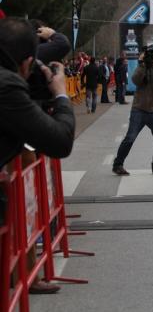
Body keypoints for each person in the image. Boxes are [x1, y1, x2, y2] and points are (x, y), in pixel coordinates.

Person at [0, 18, 76, 294]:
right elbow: (59, 141)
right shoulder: (7, 85)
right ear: (26, 62)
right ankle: (21, 275)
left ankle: (19, 272)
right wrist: (61, 95)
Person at [112, 47, 153, 175]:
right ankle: (118, 165)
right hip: (139, 110)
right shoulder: (142, 67)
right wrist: (142, 64)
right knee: (130, 138)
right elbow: (135, 80)